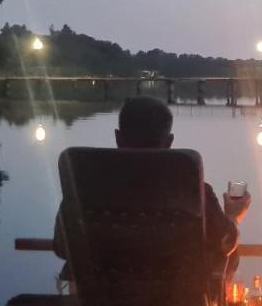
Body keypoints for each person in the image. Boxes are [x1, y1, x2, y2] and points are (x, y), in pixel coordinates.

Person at [53, 96, 250, 279]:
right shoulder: (193, 190)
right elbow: (226, 241)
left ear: (118, 138)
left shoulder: (85, 187)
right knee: (228, 255)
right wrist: (233, 216)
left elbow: (62, 246)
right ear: (169, 142)